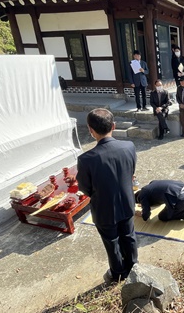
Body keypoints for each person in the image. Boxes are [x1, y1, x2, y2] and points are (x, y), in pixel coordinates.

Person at [76, 109, 138, 284]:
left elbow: (85, 188)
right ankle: (134, 267)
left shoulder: (86, 159)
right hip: (126, 202)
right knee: (129, 235)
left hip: (104, 208)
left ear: (91, 130)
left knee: (112, 242)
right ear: (113, 126)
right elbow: (130, 172)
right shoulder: (129, 146)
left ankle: (118, 273)